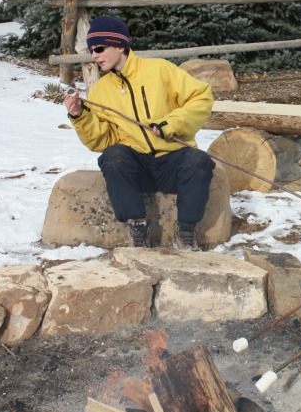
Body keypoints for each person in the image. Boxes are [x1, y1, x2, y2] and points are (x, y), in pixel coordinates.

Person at [63, 16, 215, 250]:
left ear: (120, 46)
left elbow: (201, 97)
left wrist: (170, 123)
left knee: (199, 161)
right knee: (112, 156)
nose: (94, 55)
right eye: (91, 50)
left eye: (99, 48)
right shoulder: (101, 90)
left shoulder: (159, 70)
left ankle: (185, 229)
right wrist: (79, 116)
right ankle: (138, 228)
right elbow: (102, 140)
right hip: (137, 168)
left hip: (172, 162)